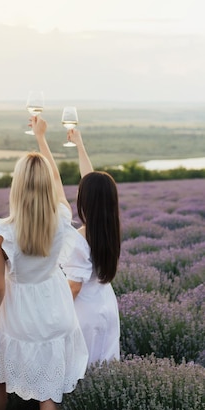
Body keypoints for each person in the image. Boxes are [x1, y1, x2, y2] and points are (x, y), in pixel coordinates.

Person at [0, 116, 88, 410]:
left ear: (17, 185)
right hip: (54, 309)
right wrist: (42, 140)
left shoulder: (1, 230)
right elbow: (55, 181)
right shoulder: (62, 217)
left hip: (16, 315)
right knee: (49, 395)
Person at [60, 129, 121, 366]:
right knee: (105, 368)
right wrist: (79, 145)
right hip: (106, 304)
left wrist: (51, 308)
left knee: (79, 370)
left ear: (86, 200)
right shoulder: (109, 227)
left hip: (83, 310)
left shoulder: (79, 238)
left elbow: (74, 287)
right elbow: (95, 182)